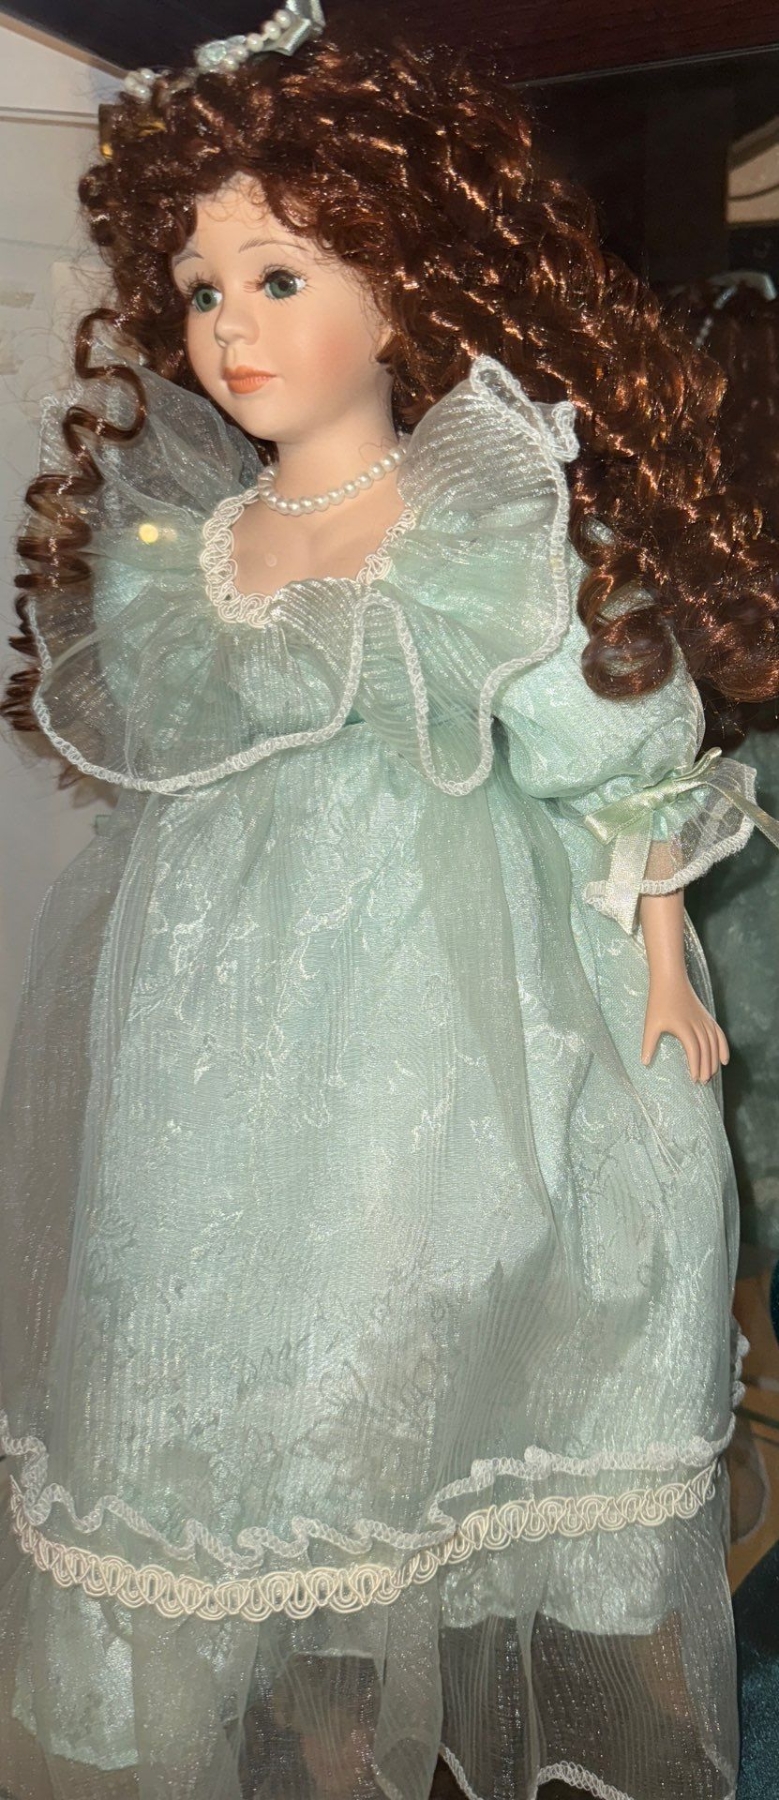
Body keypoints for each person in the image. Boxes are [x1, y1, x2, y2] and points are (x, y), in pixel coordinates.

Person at [1, 8, 778, 1797]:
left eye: (280, 277)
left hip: (442, 1016)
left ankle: (400, 1663)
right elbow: (171, 764)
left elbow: (606, 747)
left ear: (405, 280)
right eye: (202, 289)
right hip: (213, 1018)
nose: (233, 329)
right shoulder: (190, 539)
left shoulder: (475, 516)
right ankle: (306, 1695)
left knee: (412, 1319)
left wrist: (662, 951)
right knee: (210, 1332)